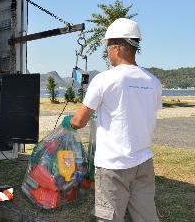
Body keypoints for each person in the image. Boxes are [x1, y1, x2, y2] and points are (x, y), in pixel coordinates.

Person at [62, 18, 162, 222]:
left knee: (109, 218)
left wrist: (68, 122)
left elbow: (79, 121)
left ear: (116, 48)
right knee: (146, 217)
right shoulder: (153, 81)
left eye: (107, 47)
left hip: (113, 166)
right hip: (143, 163)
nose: (107, 52)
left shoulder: (104, 79)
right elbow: (137, 112)